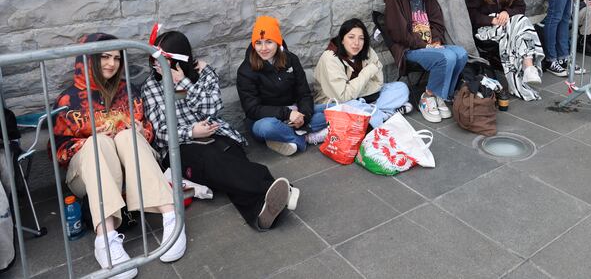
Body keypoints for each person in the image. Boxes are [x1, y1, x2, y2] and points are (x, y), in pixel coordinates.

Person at [52, 33, 185, 279]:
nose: (111, 64)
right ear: (89, 59)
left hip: (132, 167)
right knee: (97, 143)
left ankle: (171, 219)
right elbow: (59, 153)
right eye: (104, 57)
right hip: (88, 174)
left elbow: (149, 130)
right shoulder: (68, 99)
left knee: (126, 137)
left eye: (116, 58)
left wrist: (134, 130)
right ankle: (106, 240)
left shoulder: (128, 90)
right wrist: (94, 137)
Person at [142, 28, 295, 231]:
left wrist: (183, 83)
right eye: (153, 60)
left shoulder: (203, 73)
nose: (157, 66)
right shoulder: (151, 87)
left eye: (162, 60)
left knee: (230, 161)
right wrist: (192, 132)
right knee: (214, 161)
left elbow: (211, 108)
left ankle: (261, 215)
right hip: (181, 146)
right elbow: (160, 132)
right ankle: (272, 187)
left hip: (217, 134)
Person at [383, 0, 468, 123]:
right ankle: (427, 97)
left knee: (461, 53)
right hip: (409, 50)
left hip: (429, 47)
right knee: (447, 57)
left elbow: (437, 22)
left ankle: (441, 95)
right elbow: (398, 33)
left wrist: (435, 41)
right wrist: (425, 45)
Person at [236, 16, 327, 156]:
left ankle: (288, 137)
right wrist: (287, 114)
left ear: (278, 42)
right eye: (258, 43)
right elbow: (252, 109)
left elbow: (304, 94)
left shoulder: (291, 59)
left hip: (295, 111)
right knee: (267, 128)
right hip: (264, 119)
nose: (263, 48)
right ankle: (306, 138)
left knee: (331, 110)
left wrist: (304, 116)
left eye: (269, 42)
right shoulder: (245, 70)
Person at [466, 0, 544, 101]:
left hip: (508, 25)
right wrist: (492, 19)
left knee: (520, 21)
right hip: (485, 29)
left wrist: (506, 13)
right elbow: (472, 14)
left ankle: (528, 67)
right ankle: (528, 66)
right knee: (522, 24)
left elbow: (520, 6)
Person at [313, 18, 411, 128]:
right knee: (353, 106)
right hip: (336, 102)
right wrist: (367, 72)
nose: (356, 43)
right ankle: (384, 114)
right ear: (342, 39)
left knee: (401, 88)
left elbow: (378, 83)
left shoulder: (367, 51)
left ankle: (372, 114)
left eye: (361, 38)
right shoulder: (330, 58)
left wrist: (356, 92)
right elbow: (343, 96)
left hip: (365, 97)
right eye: (351, 37)